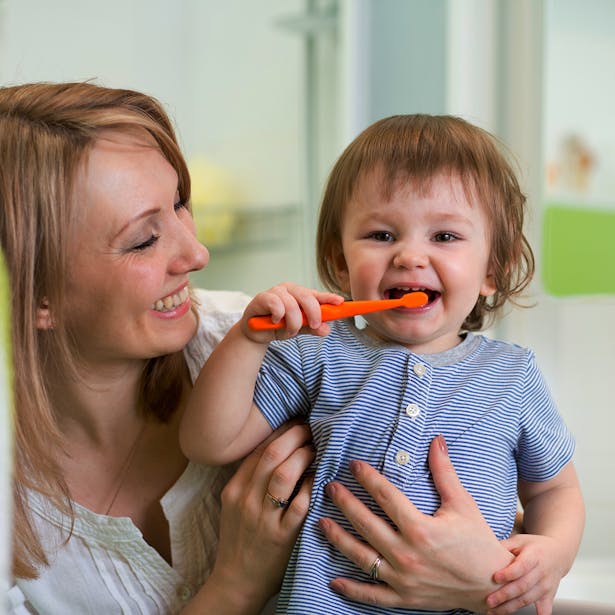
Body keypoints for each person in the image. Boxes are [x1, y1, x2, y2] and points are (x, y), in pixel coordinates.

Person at [0, 83, 523, 615]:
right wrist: (237, 583)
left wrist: (486, 580)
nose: (197, 253)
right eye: (143, 240)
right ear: (34, 295)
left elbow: (493, 510)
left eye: (181, 204)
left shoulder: (281, 343)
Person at [180, 114, 585, 615]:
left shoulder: (513, 375)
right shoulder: (316, 350)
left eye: (444, 237)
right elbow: (208, 441)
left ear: (492, 269)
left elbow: (556, 489)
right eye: (380, 235)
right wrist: (247, 338)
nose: (410, 256)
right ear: (340, 261)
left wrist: (554, 554)